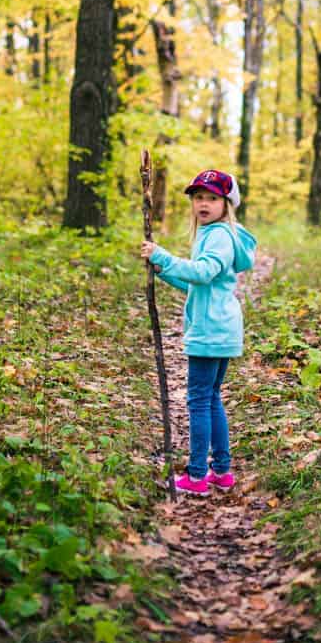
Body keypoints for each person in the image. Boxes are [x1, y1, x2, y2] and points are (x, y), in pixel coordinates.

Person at [141, 169, 257, 496]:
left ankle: (196, 476)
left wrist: (162, 254)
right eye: (198, 197)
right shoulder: (212, 234)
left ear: (226, 203)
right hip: (219, 326)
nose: (203, 204)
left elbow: (203, 273)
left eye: (212, 198)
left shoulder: (219, 235)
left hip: (211, 330)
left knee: (198, 401)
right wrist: (163, 271)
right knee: (211, 397)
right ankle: (221, 471)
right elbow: (198, 285)